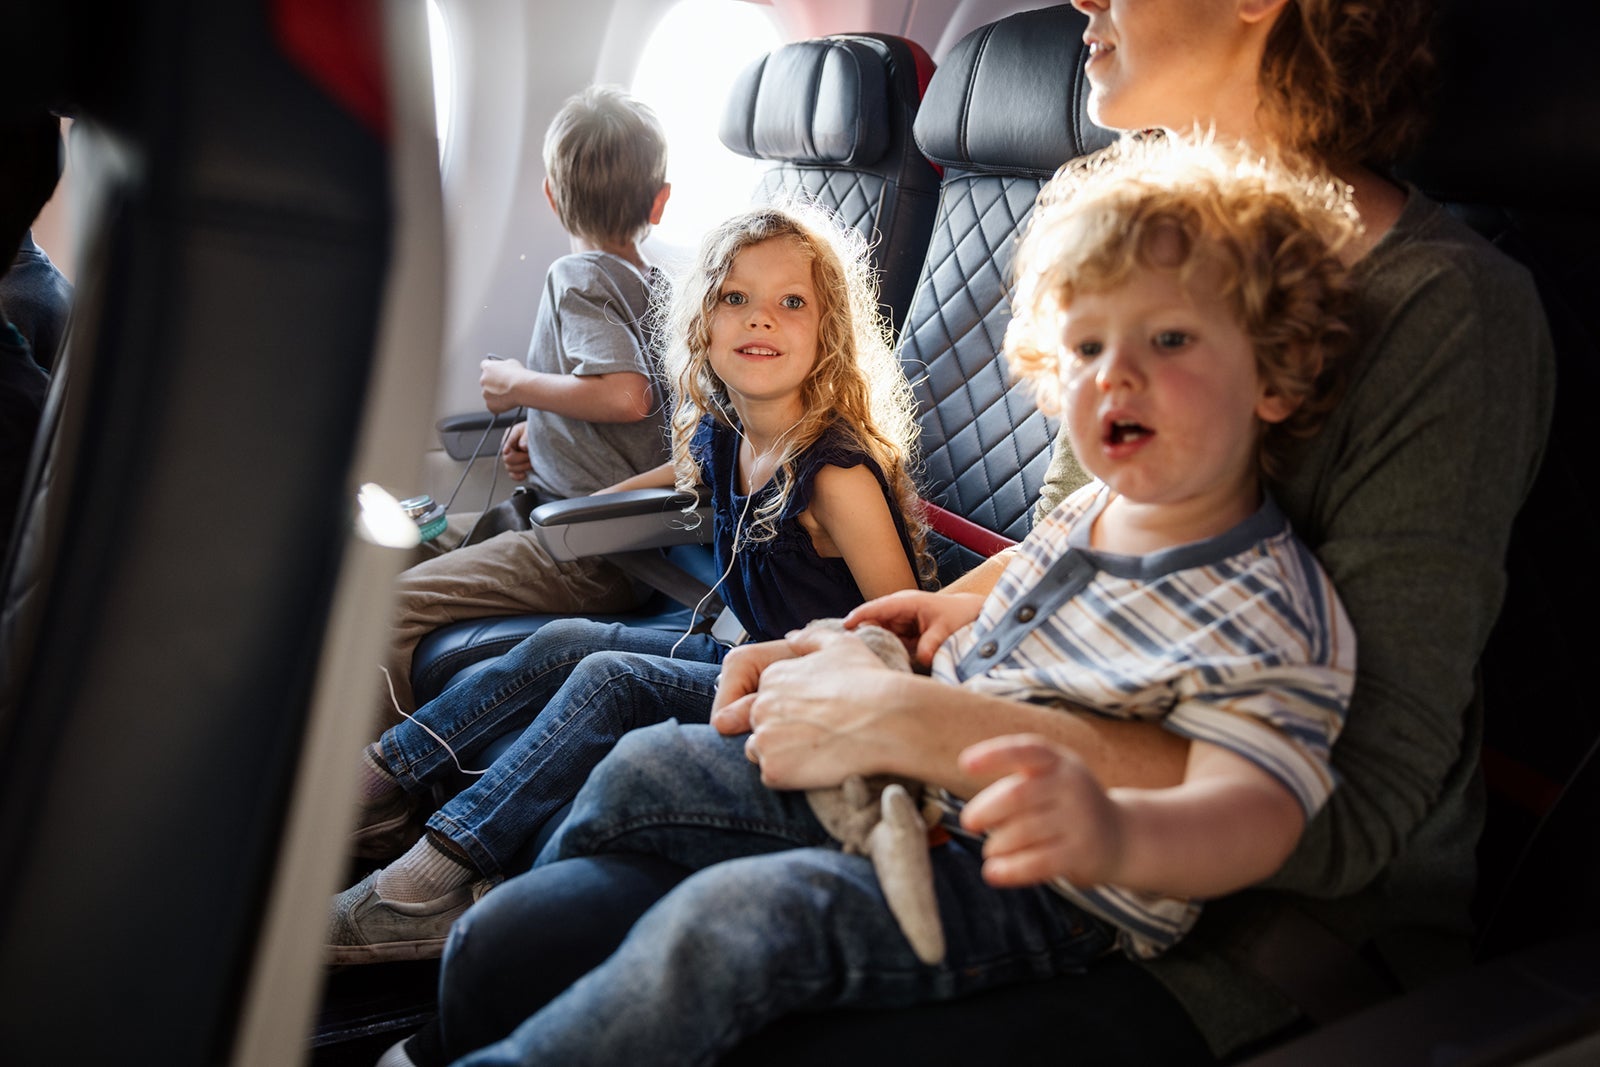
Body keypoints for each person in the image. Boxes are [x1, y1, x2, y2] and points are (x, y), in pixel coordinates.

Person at [414, 1, 1555, 1064]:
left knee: (655, 953)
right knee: (519, 931)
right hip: (989, 758)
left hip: (1216, 914)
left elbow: (1348, 805)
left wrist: (920, 717)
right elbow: (1080, 527)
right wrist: (925, 618)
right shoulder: (1136, 228)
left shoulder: (1444, 311)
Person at [329, 205, 935, 965]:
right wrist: (591, 505)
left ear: (828, 335)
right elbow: (683, 473)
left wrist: (812, 677)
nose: (761, 320)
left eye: (792, 303)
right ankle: (375, 780)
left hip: (810, 692)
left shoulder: (836, 474)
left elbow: (902, 633)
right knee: (566, 642)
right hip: (750, 661)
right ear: (704, 324)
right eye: (734, 298)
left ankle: (417, 890)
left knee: (610, 677)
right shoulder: (730, 430)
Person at [377, 84, 673, 722]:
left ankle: (381, 799)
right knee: (396, 536)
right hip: (565, 524)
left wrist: (515, 386)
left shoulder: (579, 275)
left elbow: (626, 395)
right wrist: (541, 429)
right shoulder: (660, 286)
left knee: (392, 605)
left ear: (549, 195)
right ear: (660, 201)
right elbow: (639, 423)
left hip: (582, 551)